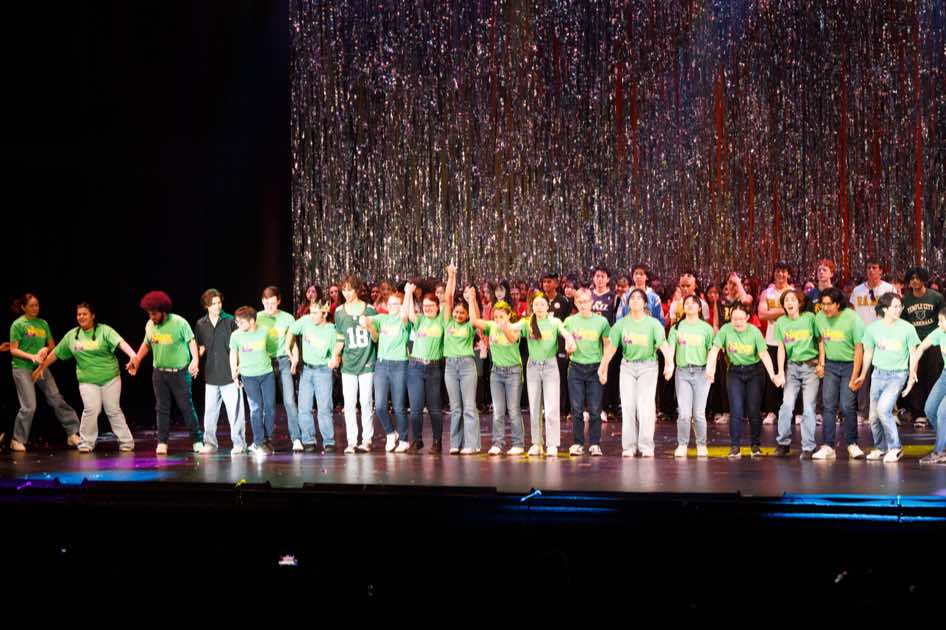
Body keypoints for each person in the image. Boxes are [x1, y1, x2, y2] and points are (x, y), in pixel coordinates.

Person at [31, 302, 136, 453]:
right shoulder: (72, 336)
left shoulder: (104, 330)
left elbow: (121, 343)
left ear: (92, 316)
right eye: (79, 314)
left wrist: (133, 355)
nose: (81, 317)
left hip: (110, 378)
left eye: (84, 314)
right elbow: (55, 353)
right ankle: (86, 443)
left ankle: (126, 442)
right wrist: (41, 367)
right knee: (90, 410)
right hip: (87, 381)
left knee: (113, 410)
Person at [599, 288, 672, 457]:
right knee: (628, 406)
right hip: (628, 367)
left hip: (648, 366)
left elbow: (663, 345)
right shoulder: (621, 324)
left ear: (645, 303)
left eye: (639, 298)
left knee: (645, 406)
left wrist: (670, 364)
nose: (635, 300)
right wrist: (603, 367)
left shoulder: (653, 324)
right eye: (632, 298)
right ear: (628, 303)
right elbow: (611, 348)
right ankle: (629, 446)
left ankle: (646, 446)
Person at [130, 291, 203, 454]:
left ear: (163, 311)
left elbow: (191, 341)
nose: (152, 317)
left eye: (154, 314)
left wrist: (195, 360)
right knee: (161, 408)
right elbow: (147, 343)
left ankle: (197, 440)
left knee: (186, 407)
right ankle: (162, 442)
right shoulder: (150, 325)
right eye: (149, 314)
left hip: (179, 373)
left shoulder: (179, 322)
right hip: (159, 373)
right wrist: (137, 360)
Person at [8, 293, 81, 451]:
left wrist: (45, 350)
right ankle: (17, 439)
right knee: (29, 406)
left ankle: (72, 433)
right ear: (23, 307)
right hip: (22, 367)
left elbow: (52, 345)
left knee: (56, 398)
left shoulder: (43, 324)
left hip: (41, 367)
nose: (35, 308)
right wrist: (32, 356)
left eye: (37, 305)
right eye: (31, 305)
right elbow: (13, 349)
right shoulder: (18, 324)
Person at [853, 292, 920, 463]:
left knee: (883, 410)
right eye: (895, 307)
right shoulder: (872, 328)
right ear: (885, 309)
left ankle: (895, 448)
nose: (899, 309)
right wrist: (862, 375)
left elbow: (913, 354)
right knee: (874, 416)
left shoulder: (907, 328)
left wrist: (911, 377)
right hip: (878, 374)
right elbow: (868, 353)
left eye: (900, 306)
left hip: (897, 375)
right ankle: (881, 448)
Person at [705, 304, 779, 458]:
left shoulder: (754, 332)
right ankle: (735, 447)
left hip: (755, 372)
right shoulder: (726, 330)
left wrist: (773, 375)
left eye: (740, 319)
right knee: (736, 410)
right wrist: (709, 369)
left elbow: (764, 355)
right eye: (734, 319)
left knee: (753, 410)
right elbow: (714, 350)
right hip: (735, 372)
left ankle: (755, 446)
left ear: (747, 318)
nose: (737, 322)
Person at [517, 291, 575, 457]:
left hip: (550, 366)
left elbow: (565, 332)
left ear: (547, 306)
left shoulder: (554, 321)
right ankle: (536, 443)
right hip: (533, 367)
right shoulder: (527, 322)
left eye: (542, 304)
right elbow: (512, 328)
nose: (539, 307)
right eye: (536, 304)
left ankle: (552, 444)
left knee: (551, 408)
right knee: (534, 407)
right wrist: (501, 325)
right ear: (532, 306)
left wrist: (570, 340)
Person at [813, 287, 866, 460]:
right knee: (828, 405)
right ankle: (828, 446)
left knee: (846, 405)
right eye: (823, 304)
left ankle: (852, 444)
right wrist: (822, 362)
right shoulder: (819, 317)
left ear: (838, 304)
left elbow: (859, 349)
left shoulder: (853, 319)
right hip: (831, 365)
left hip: (850, 364)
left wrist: (855, 376)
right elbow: (821, 339)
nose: (825, 308)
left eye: (829, 304)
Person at [194, 289, 245, 455]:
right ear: (207, 306)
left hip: (230, 375)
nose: (217, 306)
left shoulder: (230, 321)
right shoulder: (201, 324)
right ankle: (210, 444)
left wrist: (238, 369)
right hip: (211, 375)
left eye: (219, 302)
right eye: (213, 303)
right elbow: (201, 347)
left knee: (235, 412)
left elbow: (238, 346)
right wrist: (194, 362)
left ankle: (239, 443)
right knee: (210, 413)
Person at [471, 299, 523, 455]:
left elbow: (512, 339)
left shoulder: (515, 327)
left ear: (509, 316)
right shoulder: (491, 326)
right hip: (496, 372)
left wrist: (504, 327)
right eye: (496, 317)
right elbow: (474, 321)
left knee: (513, 410)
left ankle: (518, 444)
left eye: (501, 316)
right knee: (498, 410)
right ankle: (497, 443)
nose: (498, 320)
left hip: (513, 372)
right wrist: (471, 299)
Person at [772, 290, 821, 459]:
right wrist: (780, 372)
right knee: (786, 405)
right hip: (792, 367)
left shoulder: (809, 318)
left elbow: (820, 340)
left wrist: (821, 362)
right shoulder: (781, 322)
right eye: (786, 300)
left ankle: (808, 447)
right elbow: (781, 348)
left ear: (799, 303)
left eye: (793, 299)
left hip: (810, 366)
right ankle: (783, 443)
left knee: (808, 407)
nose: (789, 302)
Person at [332, 275, 377, 453]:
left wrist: (370, 327)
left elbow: (376, 337)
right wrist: (335, 355)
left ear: (357, 290)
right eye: (344, 290)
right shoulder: (339, 312)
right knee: (349, 404)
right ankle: (351, 441)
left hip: (367, 361)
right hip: (348, 364)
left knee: (366, 401)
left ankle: (367, 439)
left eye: (350, 289)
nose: (346, 293)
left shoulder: (370, 310)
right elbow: (340, 338)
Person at [665, 294, 715, 457]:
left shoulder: (706, 328)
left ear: (700, 308)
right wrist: (669, 365)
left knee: (699, 413)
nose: (690, 305)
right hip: (683, 373)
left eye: (694, 303)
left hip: (701, 373)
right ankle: (682, 444)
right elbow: (671, 349)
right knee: (684, 413)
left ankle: (701, 444)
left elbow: (712, 351)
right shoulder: (676, 328)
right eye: (687, 303)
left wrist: (711, 369)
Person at [563, 288, 612, 456]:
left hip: (595, 368)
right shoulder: (569, 321)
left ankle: (594, 443)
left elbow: (607, 346)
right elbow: (567, 342)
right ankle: (578, 443)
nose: (583, 305)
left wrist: (604, 369)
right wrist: (568, 347)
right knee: (576, 408)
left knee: (595, 408)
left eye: (586, 301)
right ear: (575, 303)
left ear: (592, 302)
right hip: (575, 367)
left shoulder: (602, 322)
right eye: (580, 302)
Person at [361, 288, 409, 452]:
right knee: (380, 406)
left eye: (396, 304)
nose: (393, 307)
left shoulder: (404, 320)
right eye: (390, 304)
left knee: (398, 406)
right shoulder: (382, 318)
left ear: (401, 306)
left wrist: (407, 294)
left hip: (399, 364)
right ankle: (390, 433)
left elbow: (405, 315)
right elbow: (367, 321)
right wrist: (366, 323)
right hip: (382, 364)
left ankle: (404, 439)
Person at [402, 280, 445, 454]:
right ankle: (417, 440)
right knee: (416, 408)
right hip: (415, 367)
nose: (427, 309)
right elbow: (408, 314)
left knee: (434, 408)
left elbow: (447, 300)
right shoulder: (419, 320)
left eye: (431, 306)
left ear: (437, 307)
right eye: (425, 306)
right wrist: (408, 293)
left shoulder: (442, 320)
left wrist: (451, 277)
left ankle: (437, 441)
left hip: (434, 368)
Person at [288, 300, 338, 452]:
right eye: (311, 312)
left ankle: (328, 440)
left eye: (315, 313)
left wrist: (334, 357)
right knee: (304, 407)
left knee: (324, 408)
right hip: (307, 370)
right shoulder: (305, 321)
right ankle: (308, 439)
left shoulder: (331, 329)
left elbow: (326, 351)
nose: (312, 316)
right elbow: (291, 330)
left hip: (323, 370)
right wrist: (289, 350)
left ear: (324, 313)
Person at [849, 259, 895, 422]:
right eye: (869, 268)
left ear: (880, 270)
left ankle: (885, 411)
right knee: (864, 375)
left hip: (883, 337)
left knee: (884, 376)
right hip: (863, 338)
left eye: (874, 267)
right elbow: (853, 314)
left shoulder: (889, 289)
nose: (871, 270)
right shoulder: (858, 290)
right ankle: (863, 412)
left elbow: (895, 311)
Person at [255, 286, 299, 452]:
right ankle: (266, 439)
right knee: (268, 404)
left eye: (273, 303)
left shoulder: (288, 318)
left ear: (278, 301)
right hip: (265, 363)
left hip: (283, 361)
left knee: (289, 400)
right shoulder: (257, 317)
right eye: (266, 304)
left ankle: (296, 438)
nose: (269, 307)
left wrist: (295, 359)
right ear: (262, 302)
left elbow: (293, 343)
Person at [442, 272, 481, 455]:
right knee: (456, 408)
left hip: (467, 366)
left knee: (469, 407)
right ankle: (455, 443)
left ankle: (472, 444)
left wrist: (471, 299)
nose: (458, 315)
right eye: (456, 312)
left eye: (462, 313)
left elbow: (476, 317)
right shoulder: (448, 323)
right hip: (450, 366)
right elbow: (448, 299)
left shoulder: (469, 326)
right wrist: (451, 276)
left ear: (466, 316)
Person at [900, 267, 945, 427]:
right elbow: (903, 322)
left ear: (924, 279)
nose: (914, 281)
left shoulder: (936, 297)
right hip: (914, 343)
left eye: (917, 278)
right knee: (915, 376)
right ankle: (919, 413)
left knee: (933, 376)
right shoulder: (905, 300)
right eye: (911, 278)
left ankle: (933, 411)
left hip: (933, 343)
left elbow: (943, 319)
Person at [229, 306, 277, 455]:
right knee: (256, 408)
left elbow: (271, 349)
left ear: (252, 321)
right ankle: (258, 442)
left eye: (241, 322)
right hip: (248, 376)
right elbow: (233, 354)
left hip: (266, 374)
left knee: (269, 407)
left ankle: (267, 438)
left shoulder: (264, 331)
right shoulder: (236, 335)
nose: (238, 325)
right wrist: (234, 374)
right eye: (237, 322)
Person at [757, 261, 794, 425]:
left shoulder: (792, 292)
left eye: (784, 271)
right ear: (774, 273)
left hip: (790, 340)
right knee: (772, 376)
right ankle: (772, 411)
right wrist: (782, 311)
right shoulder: (767, 293)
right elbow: (762, 314)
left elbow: (794, 313)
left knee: (790, 376)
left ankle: (791, 410)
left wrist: (772, 312)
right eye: (778, 271)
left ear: (788, 274)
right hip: (771, 340)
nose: (780, 274)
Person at [911, 307, 946, 463]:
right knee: (930, 409)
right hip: (945, 374)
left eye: (941, 321)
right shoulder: (940, 332)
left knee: (943, 413)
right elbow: (921, 348)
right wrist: (912, 369)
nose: (938, 324)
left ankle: (940, 451)